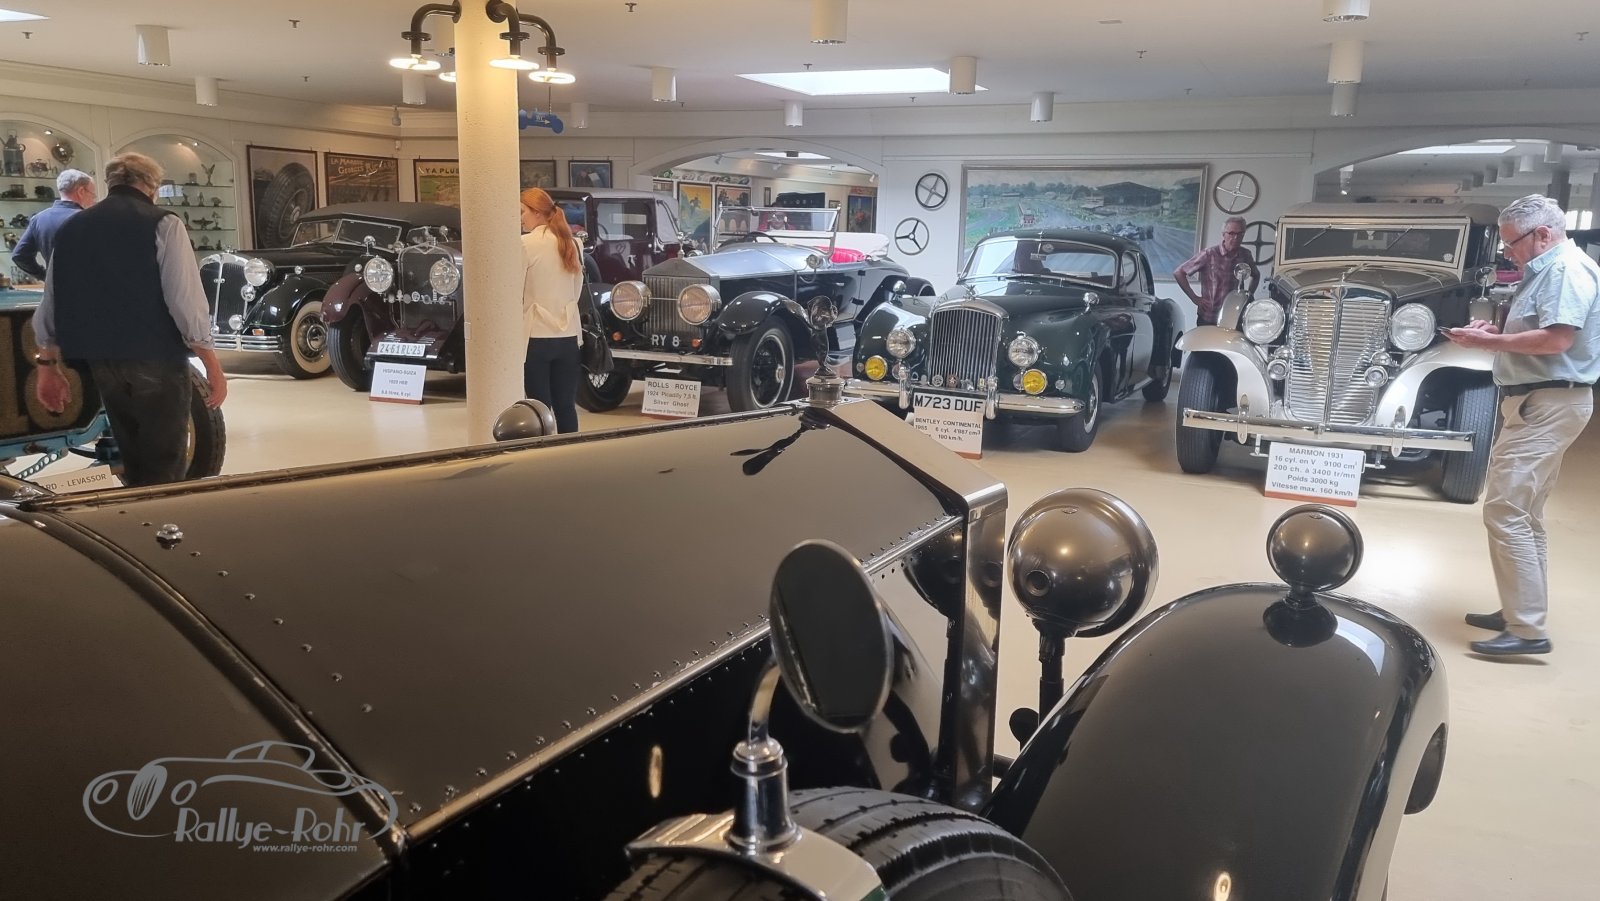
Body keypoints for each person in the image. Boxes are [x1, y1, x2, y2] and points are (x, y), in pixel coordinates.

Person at [1444, 194, 1600, 657]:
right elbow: (1541, 333)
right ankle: (1520, 607)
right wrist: (1497, 335)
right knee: (1525, 513)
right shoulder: (1548, 270)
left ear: (1544, 234)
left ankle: (1528, 629)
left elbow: (1557, 340)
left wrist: (1487, 345)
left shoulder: (1565, 269)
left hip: (1547, 403)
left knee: (1505, 510)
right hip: (1542, 400)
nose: (1507, 252)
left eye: (1512, 243)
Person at [31, 152, 227, 487]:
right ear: (152, 186)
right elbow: (185, 301)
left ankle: (137, 511)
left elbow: (51, 300)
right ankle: (164, 516)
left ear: (110, 183)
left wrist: (47, 366)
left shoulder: (72, 228)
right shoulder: (163, 223)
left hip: (100, 358)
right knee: (164, 459)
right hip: (155, 355)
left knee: (132, 453)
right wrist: (211, 361)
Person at [518, 187, 585, 434]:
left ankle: (544, 454)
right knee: (566, 406)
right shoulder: (574, 243)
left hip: (535, 336)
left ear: (537, 212)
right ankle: (572, 452)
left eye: (522, 212)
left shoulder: (525, 244)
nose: (520, 218)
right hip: (568, 336)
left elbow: (515, 291)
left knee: (539, 409)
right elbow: (576, 291)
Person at [11, 169, 97, 280]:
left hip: (54, 288)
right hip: (86, 286)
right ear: (81, 191)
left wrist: (45, 276)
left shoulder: (38, 219)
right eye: (93, 195)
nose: (93, 201)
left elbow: (19, 256)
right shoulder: (90, 218)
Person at [1174, 216, 1259, 326]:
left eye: (1240, 234)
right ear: (1224, 234)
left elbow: (1256, 275)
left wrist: (1248, 296)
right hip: (1209, 316)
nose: (1235, 237)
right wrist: (1194, 298)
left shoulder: (1245, 254)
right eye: (1231, 233)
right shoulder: (1209, 254)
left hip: (1234, 316)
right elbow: (1179, 273)